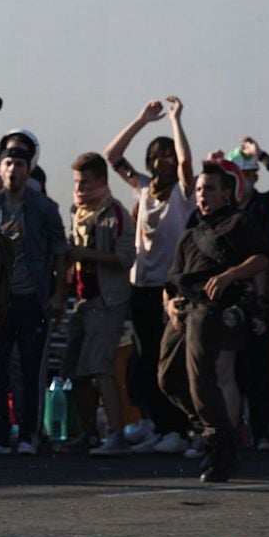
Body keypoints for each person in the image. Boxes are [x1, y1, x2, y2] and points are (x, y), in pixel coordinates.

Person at [158, 159, 269, 482]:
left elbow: (262, 259)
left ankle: (219, 448)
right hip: (183, 308)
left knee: (200, 377)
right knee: (167, 378)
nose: (202, 195)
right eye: (199, 189)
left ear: (226, 193)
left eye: (209, 189)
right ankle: (215, 430)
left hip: (212, 308)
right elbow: (170, 282)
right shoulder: (190, 234)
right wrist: (169, 307)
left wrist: (229, 275)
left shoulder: (239, 222)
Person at [104, 98, 196, 455]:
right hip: (140, 283)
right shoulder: (143, 187)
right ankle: (149, 422)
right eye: (158, 155)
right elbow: (112, 156)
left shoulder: (185, 193)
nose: (165, 160)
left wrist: (175, 120)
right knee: (141, 358)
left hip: (170, 286)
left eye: (169, 155)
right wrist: (142, 119)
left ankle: (174, 426)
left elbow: (188, 162)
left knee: (167, 357)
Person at [0, 141, 68, 456]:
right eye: (8, 164)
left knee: (31, 370)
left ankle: (29, 435)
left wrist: (57, 295)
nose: (13, 169)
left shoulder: (44, 207)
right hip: (0, 300)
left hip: (33, 299)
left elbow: (60, 253)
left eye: (19, 165)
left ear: (28, 171)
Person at [59, 153, 134, 454]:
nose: (79, 189)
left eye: (85, 182)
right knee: (74, 370)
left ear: (101, 181)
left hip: (108, 302)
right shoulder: (78, 212)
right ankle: (89, 433)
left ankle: (116, 434)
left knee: (100, 367)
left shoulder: (114, 213)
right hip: (83, 302)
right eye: (76, 182)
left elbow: (126, 258)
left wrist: (85, 254)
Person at [226, 137, 269, 451]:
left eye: (248, 176)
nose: (244, 183)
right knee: (230, 367)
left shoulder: (263, 205)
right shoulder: (220, 212)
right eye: (237, 177)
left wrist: (262, 155)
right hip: (228, 296)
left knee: (259, 367)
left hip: (258, 295)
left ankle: (263, 430)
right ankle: (233, 429)